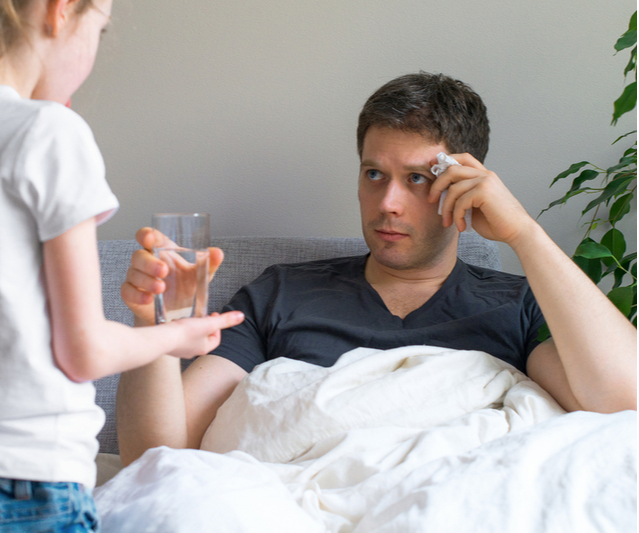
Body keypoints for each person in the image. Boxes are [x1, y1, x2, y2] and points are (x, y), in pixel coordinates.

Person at [0, 0, 244, 530]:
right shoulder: (50, 133)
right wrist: (178, 336)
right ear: (59, 12)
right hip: (23, 487)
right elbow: (83, 351)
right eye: (99, 28)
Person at [117, 72, 637, 466]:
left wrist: (523, 232)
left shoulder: (519, 304)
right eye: (373, 173)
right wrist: (153, 325)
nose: (386, 202)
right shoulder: (280, 292)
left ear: (467, 183)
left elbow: (623, 404)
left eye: (415, 178)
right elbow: (159, 453)